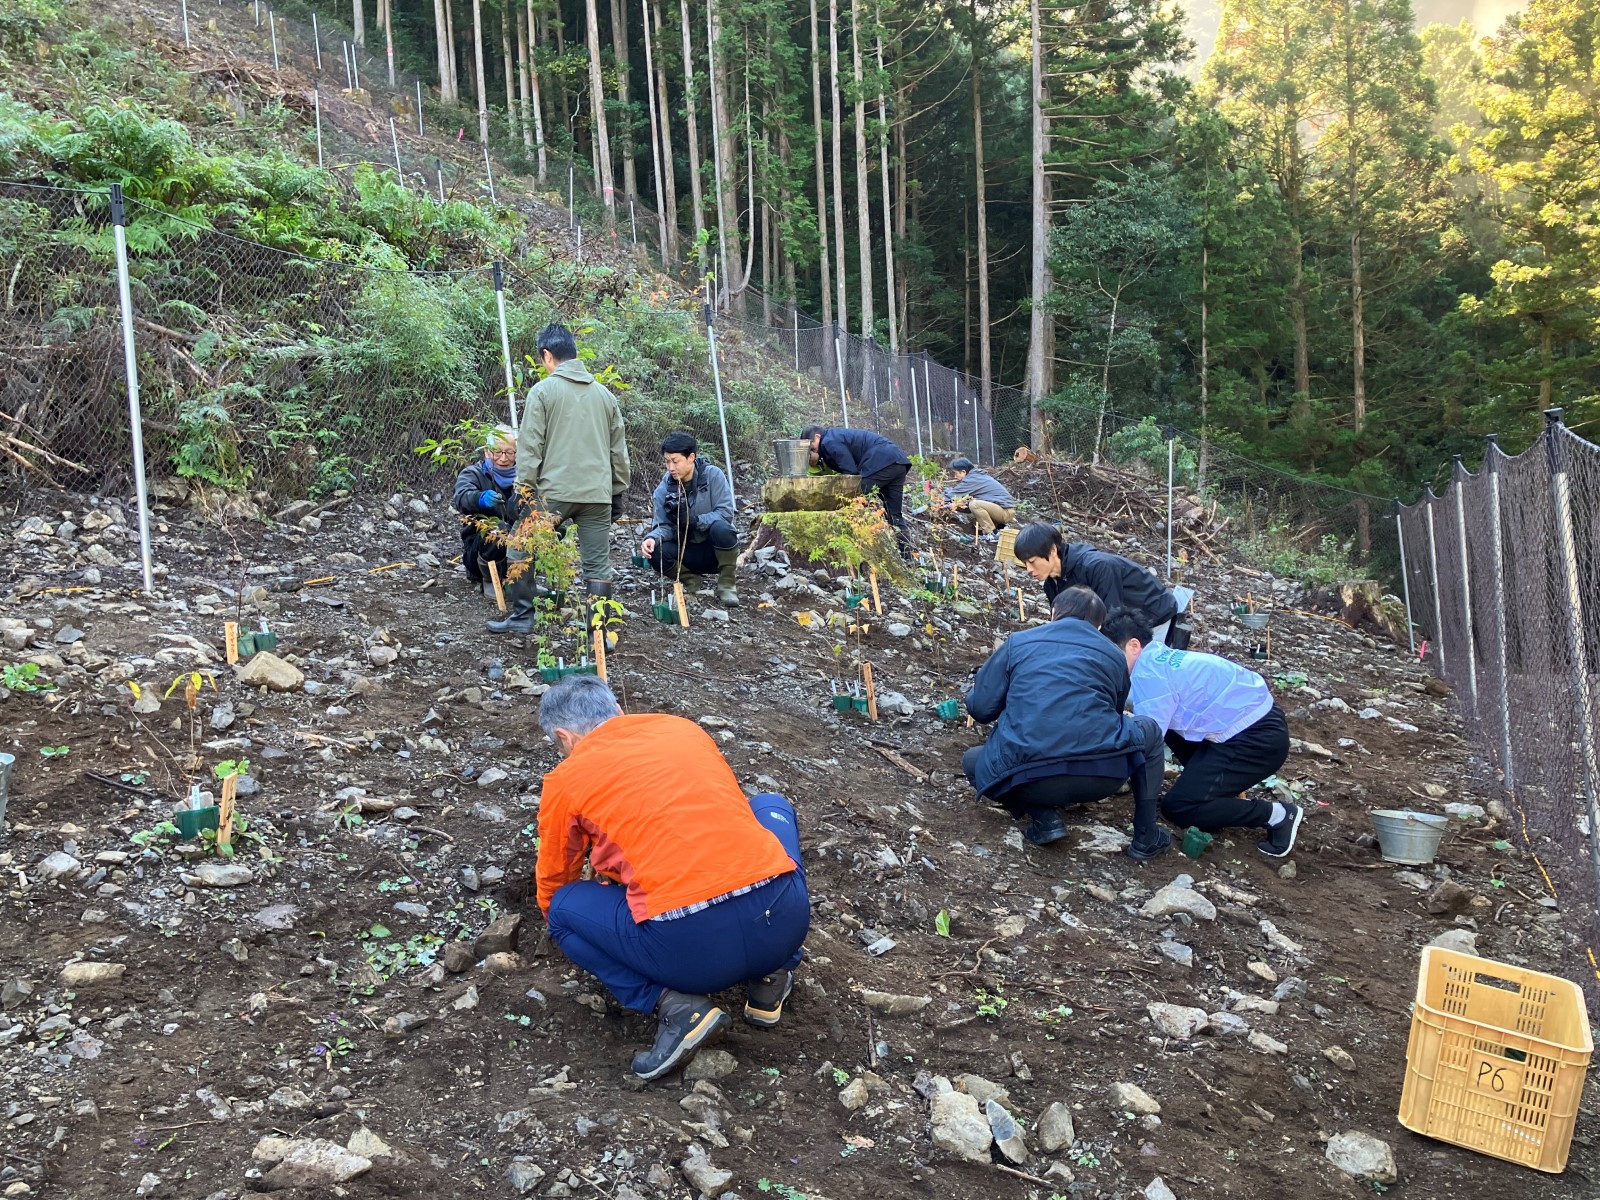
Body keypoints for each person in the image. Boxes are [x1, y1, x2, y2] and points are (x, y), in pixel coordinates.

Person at [535, 676, 811, 1081]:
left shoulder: (567, 779)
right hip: (784, 923)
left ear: (565, 737)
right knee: (769, 805)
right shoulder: (682, 728)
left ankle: (676, 1009)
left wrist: (561, 922)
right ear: (617, 712)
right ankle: (771, 976)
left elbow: (558, 872)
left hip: (691, 956)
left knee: (562, 910)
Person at [962, 602, 1170, 860]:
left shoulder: (1019, 643)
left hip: (1029, 778)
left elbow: (980, 709)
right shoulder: (1113, 654)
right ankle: (1146, 837)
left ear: (1053, 615)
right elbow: (1113, 714)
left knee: (973, 761)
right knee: (1148, 728)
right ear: (1098, 625)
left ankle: (1043, 817)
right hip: (1101, 777)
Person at [1101, 608, 1302, 857]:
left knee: (1179, 807)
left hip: (1257, 739)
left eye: (1112, 653)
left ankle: (1277, 815)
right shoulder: (1158, 658)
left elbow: (1146, 742)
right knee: (1165, 729)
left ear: (1133, 645)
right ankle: (1218, 790)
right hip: (1249, 722)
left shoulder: (1149, 675)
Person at [490, 324, 631, 633]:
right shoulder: (606, 396)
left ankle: (523, 618)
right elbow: (618, 452)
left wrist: (523, 490)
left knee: (518, 549)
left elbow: (530, 447)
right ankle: (599, 634)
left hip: (553, 494)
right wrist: (617, 491)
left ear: (547, 356)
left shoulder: (543, 392)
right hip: (597, 495)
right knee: (597, 565)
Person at [1013, 522, 1185, 646]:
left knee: (1138, 676)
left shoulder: (1097, 567)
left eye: (1032, 561)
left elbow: (1112, 621)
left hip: (1153, 616)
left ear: (1052, 550)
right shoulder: (1051, 584)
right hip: (1120, 620)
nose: (1028, 569)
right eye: (1024, 563)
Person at [641, 432, 740, 606]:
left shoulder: (712, 476)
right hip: (685, 551)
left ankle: (727, 584)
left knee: (723, 529)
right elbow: (663, 526)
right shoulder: (663, 490)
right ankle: (691, 580)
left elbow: (725, 513)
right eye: (667, 461)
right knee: (655, 550)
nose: (670, 467)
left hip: (713, 551)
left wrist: (694, 521)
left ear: (691, 457)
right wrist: (651, 538)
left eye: (675, 461)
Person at [802, 424, 911, 552]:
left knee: (852, 499)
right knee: (894, 514)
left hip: (881, 461)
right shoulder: (834, 437)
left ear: (817, 437)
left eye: (811, 447)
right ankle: (907, 555)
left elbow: (851, 474)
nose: (811, 451)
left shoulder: (829, 442)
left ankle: (855, 545)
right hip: (897, 462)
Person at [452, 425, 517, 592]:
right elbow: (461, 497)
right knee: (498, 529)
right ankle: (489, 578)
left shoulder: (524, 477)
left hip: (517, 545)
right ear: (487, 452)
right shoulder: (473, 473)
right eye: (497, 452)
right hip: (479, 551)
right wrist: (479, 498)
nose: (503, 458)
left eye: (509, 452)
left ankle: (522, 579)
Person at [942, 457, 1016, 537]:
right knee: (970, 512)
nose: (955, 477)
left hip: (1005, 512)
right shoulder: (976, 476)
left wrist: (936, 499)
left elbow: (952, 495)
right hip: (1002, 510)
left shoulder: (971, 479)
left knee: (974, 505)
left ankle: (992, 533)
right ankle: (1000, 528)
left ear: (963, 472)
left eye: (955, 473)